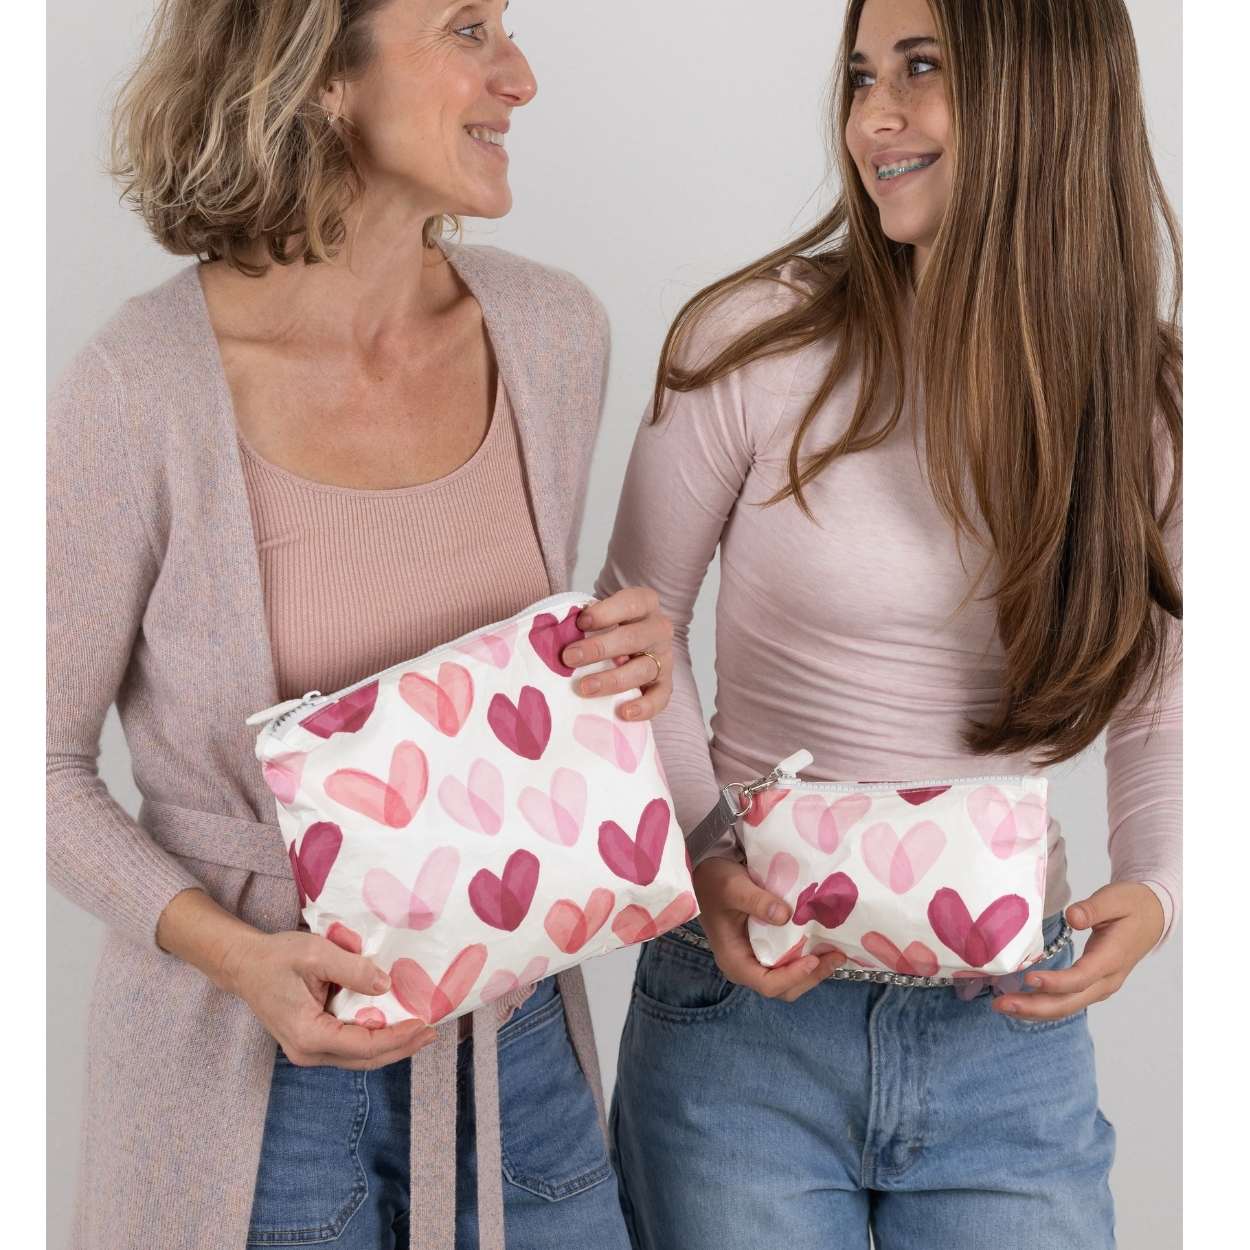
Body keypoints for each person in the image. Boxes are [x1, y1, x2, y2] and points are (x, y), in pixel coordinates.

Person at [47, 2, 670, 1247]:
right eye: (467, 29)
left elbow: (529, 690)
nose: (521, 76)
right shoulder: (140, 388)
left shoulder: (551, 335)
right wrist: (238, 956)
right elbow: (35, 764)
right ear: (322, 73)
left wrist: (631, 659)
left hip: (517, 1057)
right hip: (248, 1080)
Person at [600, 0, 1181, 1246]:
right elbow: (629, 637)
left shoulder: (1141, 401)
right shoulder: (751, 341)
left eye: (921, 70)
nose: (874, 117)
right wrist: (706, 855)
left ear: (1041, 94)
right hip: (744, 1028)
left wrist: (1159, 884)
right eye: (861, 74)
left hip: (1009, 1040)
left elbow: (1159, 686)